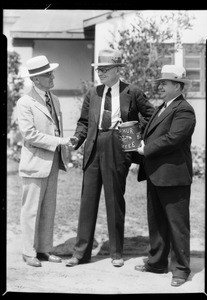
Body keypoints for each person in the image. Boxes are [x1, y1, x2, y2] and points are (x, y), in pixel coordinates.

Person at [65, 49, 155, 268]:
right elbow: (84, 122)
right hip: (93, 148)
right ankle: (81, 253)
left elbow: (151, 116)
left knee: (114, 201)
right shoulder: (92, 93)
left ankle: (116, 252)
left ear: (117, 70)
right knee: (87, 202)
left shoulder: (132, 92)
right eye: (99, 70)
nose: (100, 74)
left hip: (118, 147)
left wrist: (133, 131)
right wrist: (76, 139)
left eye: (105, 70)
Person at [135, 65, 196, 287]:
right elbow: (154, 132)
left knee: (177, 224)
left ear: (178, 86)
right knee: (157, 222)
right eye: (160, 83)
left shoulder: (184, 109)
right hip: (155, 175)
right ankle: (157, 263)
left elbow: (173, 138)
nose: (160, 86)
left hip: (174, 177)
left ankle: (180, 269)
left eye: (165, 83)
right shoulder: (163, 107)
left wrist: (146, 149)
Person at [17, 55, 73, 267]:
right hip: (34, 163)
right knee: (31, 209)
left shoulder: (55, 99)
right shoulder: (25, 102)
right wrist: (60, 141)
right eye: (47, 74)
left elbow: (55, 128)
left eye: (51, 72)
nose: (52, 76)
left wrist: (65, 145)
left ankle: (44, 249)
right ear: (36, 79)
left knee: (49, 209)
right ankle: (28, 251)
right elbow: (29, 134)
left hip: (53, 163)